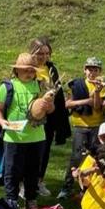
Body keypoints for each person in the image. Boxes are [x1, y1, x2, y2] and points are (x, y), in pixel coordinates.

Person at [0, 53, 53, 209]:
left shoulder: (40, 86)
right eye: (25, 70)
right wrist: (2, 122)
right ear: (17, 71)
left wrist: (47, 105)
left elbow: (50, 110)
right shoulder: (7, 87)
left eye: (32, 70)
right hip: (14, 137)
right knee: (12, 172)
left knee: (33, 172)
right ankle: (11, 202)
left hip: (37, 137)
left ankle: (31, 200)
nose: (29, 73)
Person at [59, 57, 105, 200]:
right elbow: (67, 104)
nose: (92, 72)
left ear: (100, 71)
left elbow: (97, 106)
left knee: (95, 158)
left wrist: (97, 92)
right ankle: (66, 187)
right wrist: (86, 101)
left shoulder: (102, 86)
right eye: (90, 69)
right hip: (80, 125)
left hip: (96, 125)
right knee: (76, 157)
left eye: (95, 70)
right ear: (84, 70)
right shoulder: (77, 85)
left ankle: (90, 187)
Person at [28, 38, 70, 197]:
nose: (44, 57)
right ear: (33, 53)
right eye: (40, 53)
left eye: (47, 53)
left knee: (44, 150)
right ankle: (26, 181)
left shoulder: (51, 69)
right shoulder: (28, 68)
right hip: (32, 115)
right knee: (31, 150)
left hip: (49, 116)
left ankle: (39, 180)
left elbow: (58, 92)